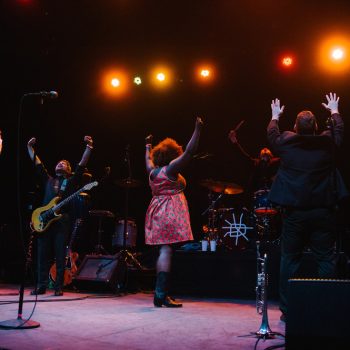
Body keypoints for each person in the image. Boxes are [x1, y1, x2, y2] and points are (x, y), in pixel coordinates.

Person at [267, 93, 348, 322]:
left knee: (290, 259)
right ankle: (323, 306)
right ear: (315, 126)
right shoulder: (326, 142)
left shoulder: (287, 143)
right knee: (325, 259)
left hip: (295, 214)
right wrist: (334, 111)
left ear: (294, 126)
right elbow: (339, 131)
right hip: (322, 211)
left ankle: (288, 310)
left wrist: (274, 116)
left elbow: (272, 135)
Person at [145, 117, 203, 307]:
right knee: (167, 250)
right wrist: (197, 130)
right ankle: (160, 294)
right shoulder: (171, 169)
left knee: (164, 249)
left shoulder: (153, 171)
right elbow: (190, 151)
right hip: (170, 211)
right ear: (172, 155)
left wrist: (147, 145)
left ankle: (161, 293)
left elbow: (147, 160)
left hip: (156, 210)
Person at [27, 135, 94, 296]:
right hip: (43, 219)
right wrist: (30, 148)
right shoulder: (48, 179)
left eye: (64, 163)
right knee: (42, 253)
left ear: (69, 170)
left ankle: (58, 287)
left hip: (62, 220)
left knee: (59, 254)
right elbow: (37, 164)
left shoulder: (71, 182)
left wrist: (89, 147)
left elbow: (82, 164)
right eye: (59, 162)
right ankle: (41, 285)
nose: (60, 163)